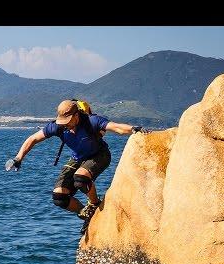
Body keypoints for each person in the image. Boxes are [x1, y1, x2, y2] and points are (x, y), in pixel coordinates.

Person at [10, 99, 148, 235]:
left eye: (68, 122)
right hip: (77, 159)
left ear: (76, 116)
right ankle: (86, 213)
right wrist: (18, 158)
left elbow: (116, 127)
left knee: (80, 178)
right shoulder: (58, 127)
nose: (65, 126)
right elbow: (33, 139)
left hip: (99, 155)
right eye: (63, 122)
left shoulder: (91, 121)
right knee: (59, 197)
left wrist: (133, 129)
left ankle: (94, 203)